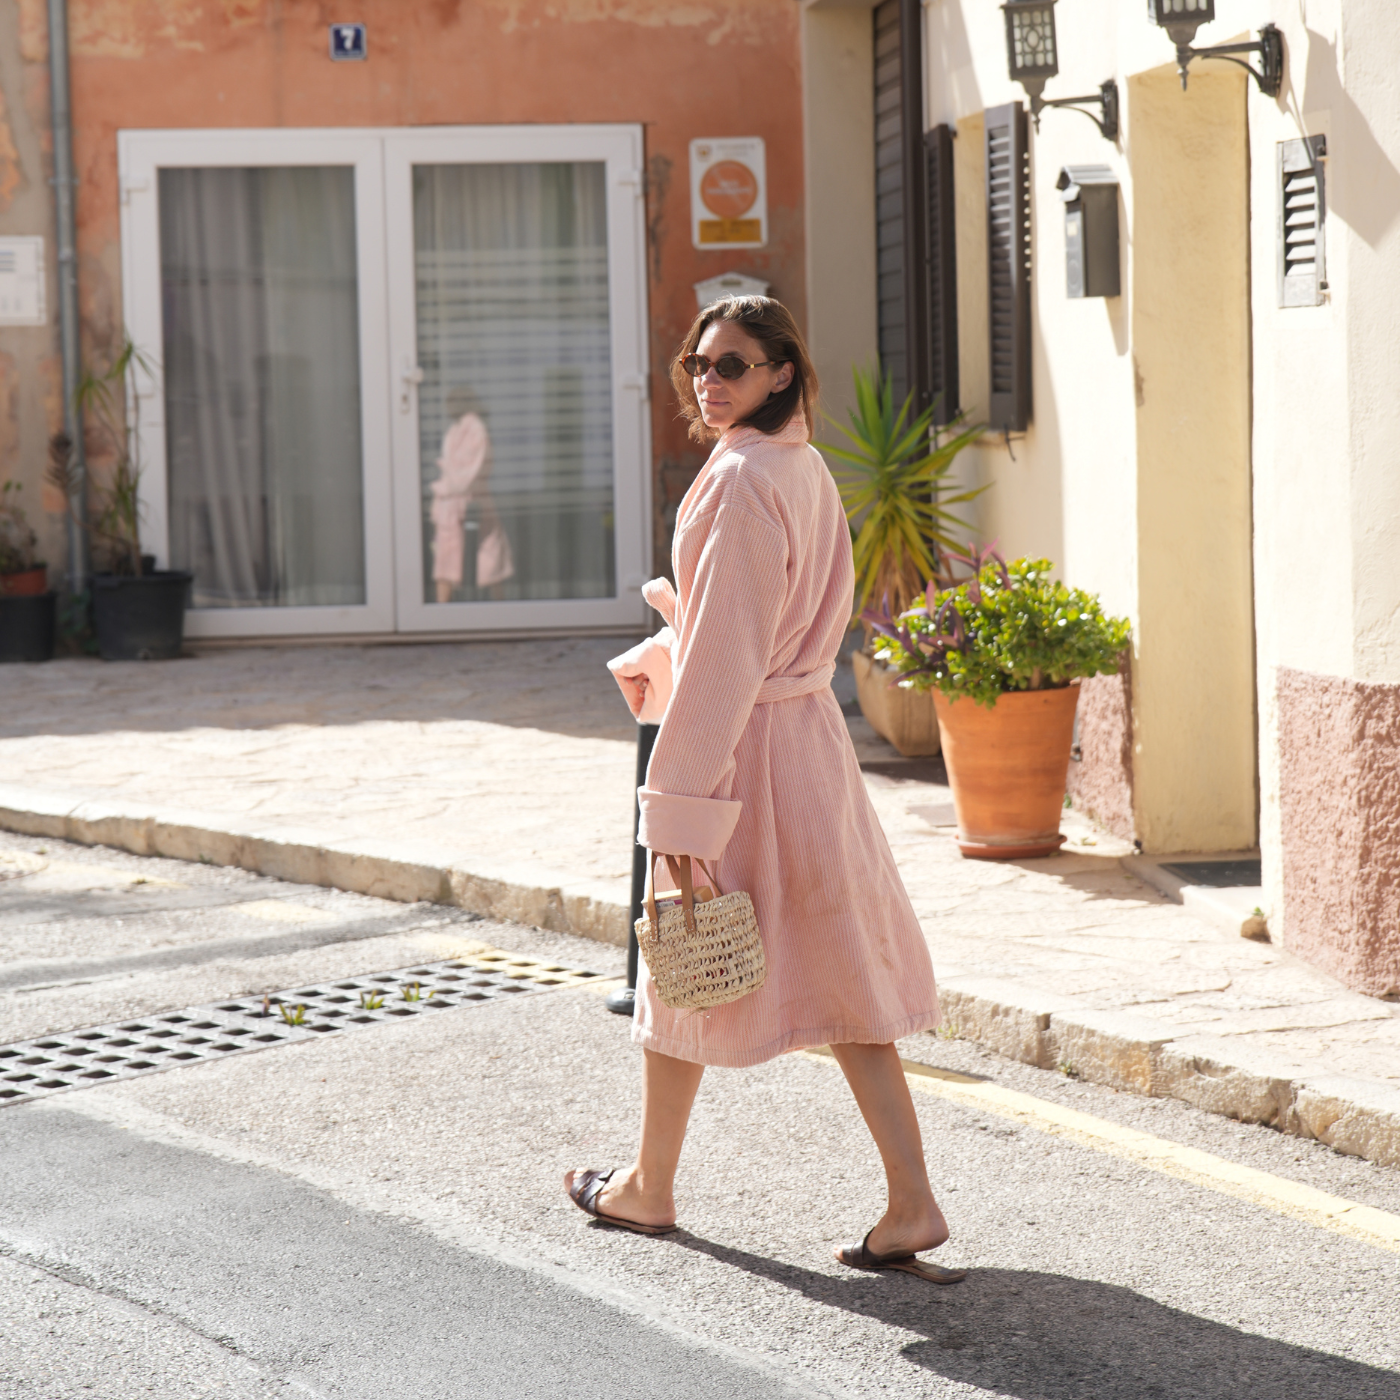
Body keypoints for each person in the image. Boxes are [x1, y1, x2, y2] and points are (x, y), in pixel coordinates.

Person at [565, 296, 964, 1286]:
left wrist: (674, 798)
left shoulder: (742, 479)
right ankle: (908, 1198)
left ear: (780, 373)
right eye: (698, 363)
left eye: (732, 365)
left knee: (678, 952)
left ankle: (648, 1188)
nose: (708, 381)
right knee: (840, 976)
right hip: (806, 746)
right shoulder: (797, 461)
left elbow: (728, 658)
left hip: (746, 752)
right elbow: (748, 636)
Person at [429, 388, 514, 604]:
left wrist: (449, 482)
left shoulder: (475, 429)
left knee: (487, 554)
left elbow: (470, 471)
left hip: (469, 498)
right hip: (452, 501)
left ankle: (500, 611)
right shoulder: (455, 430)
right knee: (448, 560)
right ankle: (442, 614)